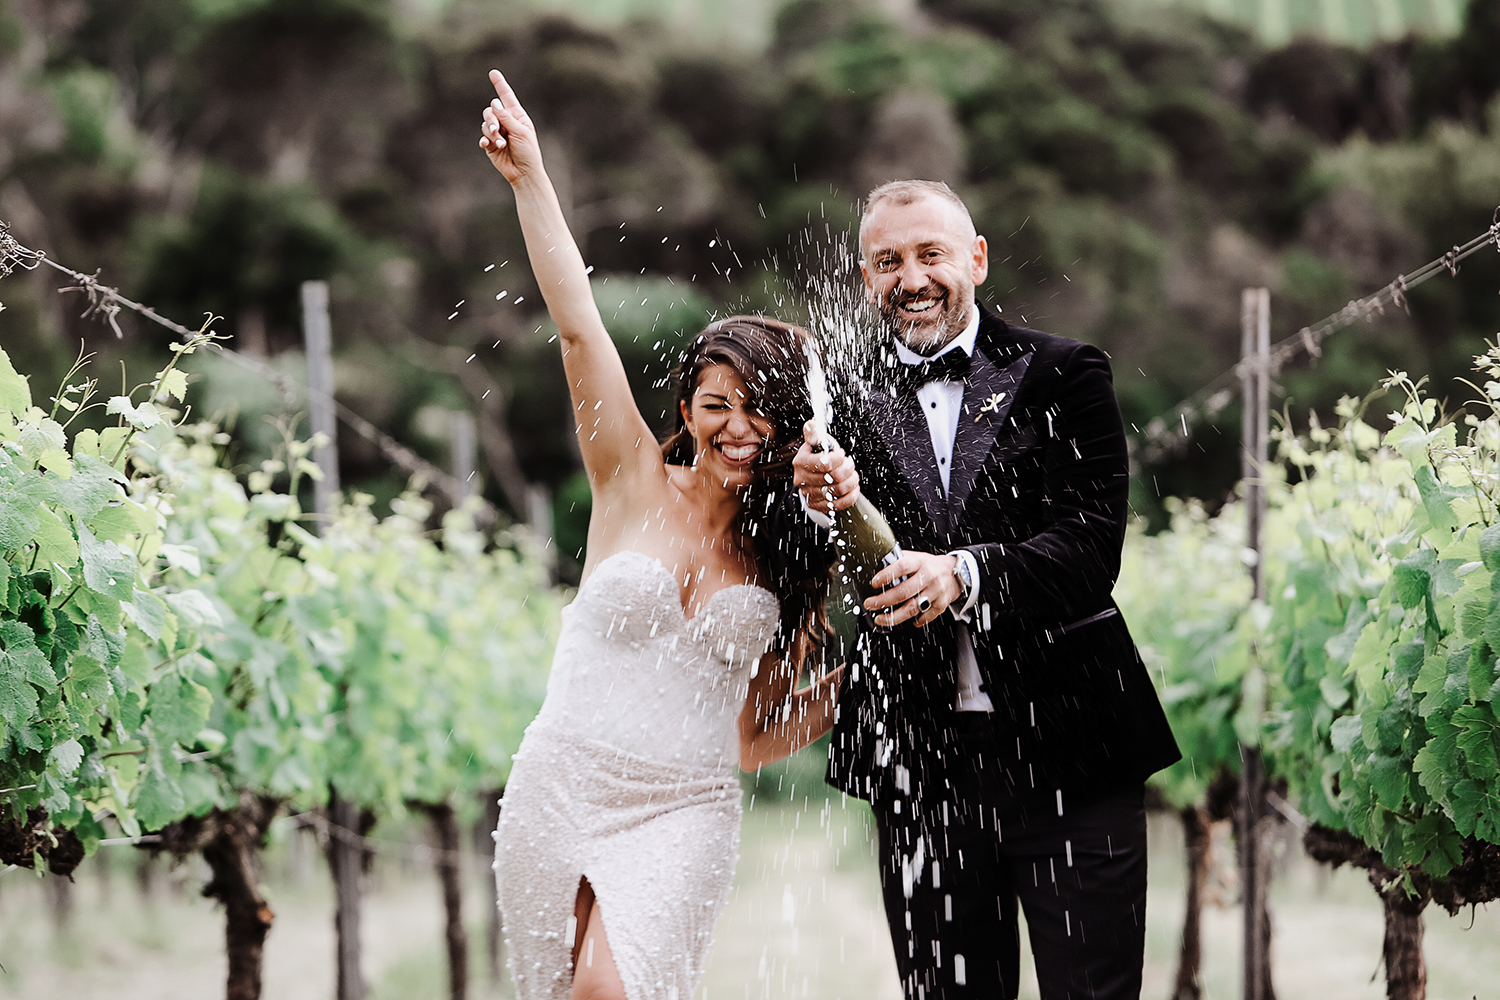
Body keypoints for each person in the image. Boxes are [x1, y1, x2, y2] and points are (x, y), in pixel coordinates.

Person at [479, 71, 839, 1000]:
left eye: (762, 409)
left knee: (610, 989)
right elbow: (576, 327)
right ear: (686, 409)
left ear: (792, 421)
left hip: (686, 805)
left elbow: (756, 738)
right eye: (717, 406)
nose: (739, 427)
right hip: (559, 783)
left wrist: (858, 685)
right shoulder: (630, 478)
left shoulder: (792, 551)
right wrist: (532, 182)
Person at [793, 179, 1181, 1000]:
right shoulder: (837, 403)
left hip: (1074, 754)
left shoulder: (1067, 373)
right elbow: (833, 565)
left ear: (975, 258)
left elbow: (1087, 549)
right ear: (866, 278)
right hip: (918, 765)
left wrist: (962, 573)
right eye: (886, 261)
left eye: (930, 253)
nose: (911, 276)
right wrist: (816, 504)